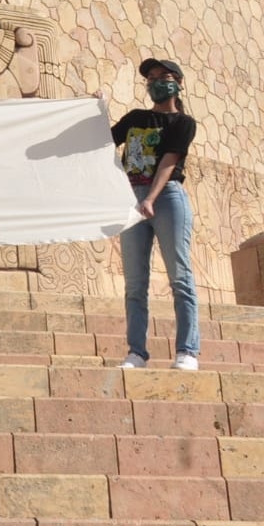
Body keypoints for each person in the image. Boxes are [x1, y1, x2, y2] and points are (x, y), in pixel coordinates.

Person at [110, 57, 200, 371]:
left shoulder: (183, 123)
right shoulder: (136, 118)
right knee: (135, 282)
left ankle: (187, 351)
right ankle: (137, 352)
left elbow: (169, 162)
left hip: (166, 197)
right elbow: (104, 141)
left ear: (177, 81)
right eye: (150, 78)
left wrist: (150, 198)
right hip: (132, 198)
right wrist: (94, 111)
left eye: (161, 76)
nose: (154, 82)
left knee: (180, 276)